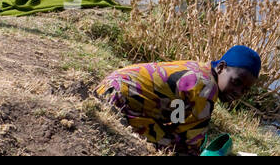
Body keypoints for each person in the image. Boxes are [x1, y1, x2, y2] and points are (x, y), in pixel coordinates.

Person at [96, 46, 260, 156]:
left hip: (111, 86)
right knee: (173, 147)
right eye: (236, 82)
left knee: (175, 136)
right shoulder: (207, 88)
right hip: (120, 100)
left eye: (245, 90)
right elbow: (191, 145)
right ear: (221, 67)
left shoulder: (200, 70)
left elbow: (178, 105)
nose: (238, 92)